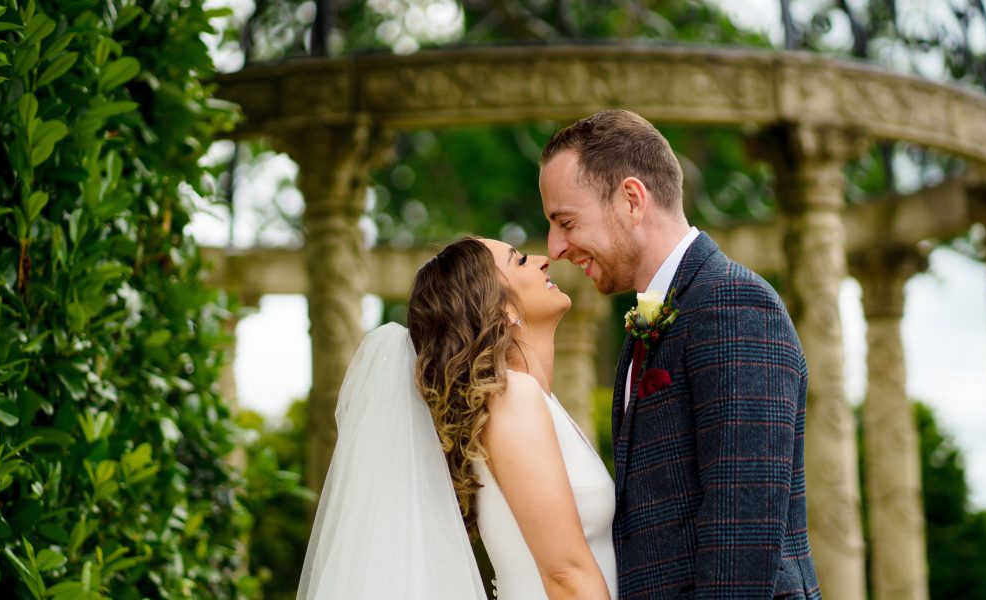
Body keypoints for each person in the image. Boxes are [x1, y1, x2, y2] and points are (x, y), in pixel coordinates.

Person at [539, 109, 820, 599]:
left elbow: (742, 533)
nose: (555, 247)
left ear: (631, 199)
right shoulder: (650, 325)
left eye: (566, 221)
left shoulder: (733, 304)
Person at [297, 237, 617, 600]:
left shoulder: (530, 400)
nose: (543, 260)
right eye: (520, 260)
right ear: (500, 309)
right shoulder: (512, 397)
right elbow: (565, 575)